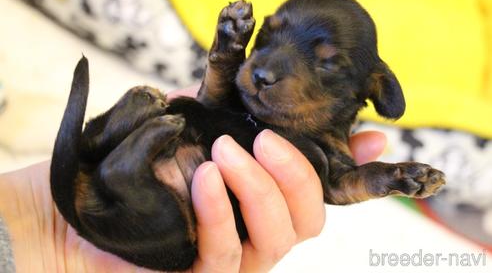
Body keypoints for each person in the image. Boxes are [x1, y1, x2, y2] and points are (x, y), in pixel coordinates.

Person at [0, 87, 386, 273]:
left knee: (127, 186)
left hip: (134, 196)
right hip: (151, 181)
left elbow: (337, 185)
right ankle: (126, 160)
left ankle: (126, 157)